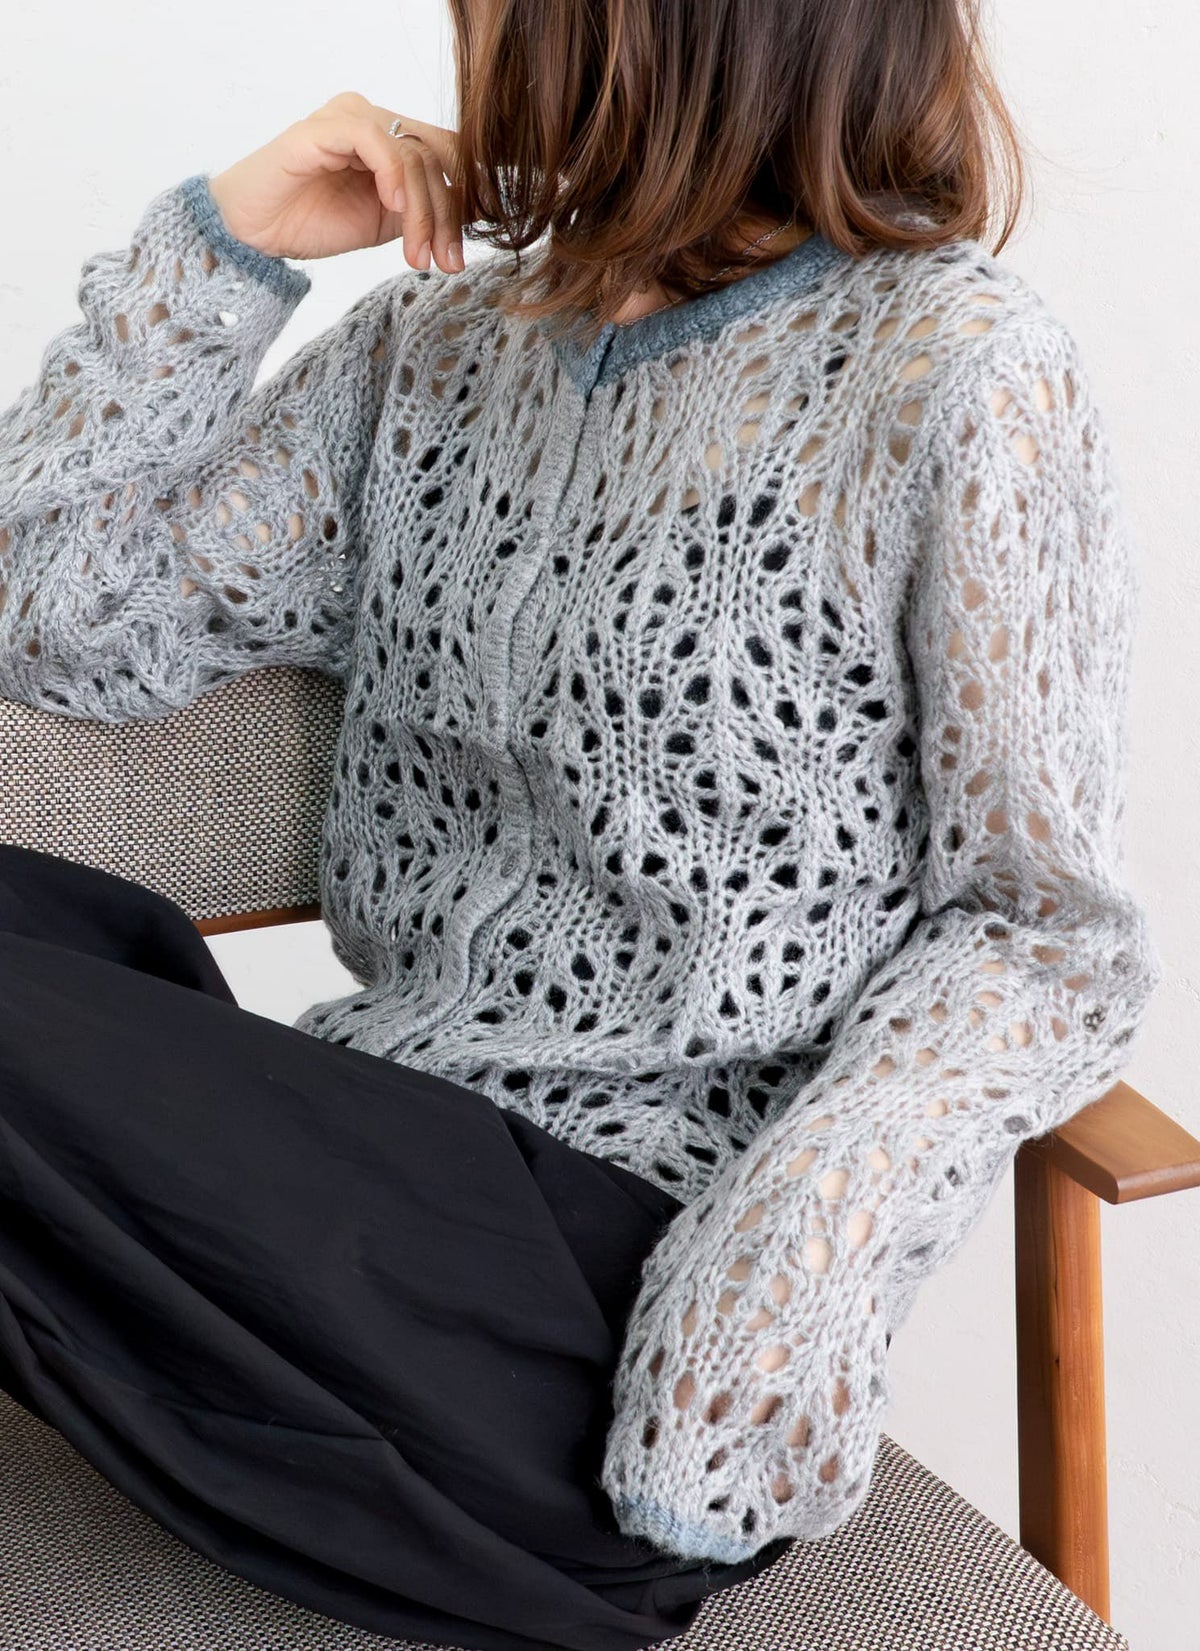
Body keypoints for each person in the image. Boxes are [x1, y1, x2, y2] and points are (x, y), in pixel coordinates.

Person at [0, 2, 1163, 1649]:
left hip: (607, 1315)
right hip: (369, 1190)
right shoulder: (430, 350)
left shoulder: (959, 371)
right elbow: (62, 621)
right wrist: (225, 245)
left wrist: (769, 1293)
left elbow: (1042, 934)